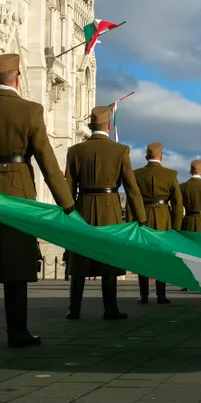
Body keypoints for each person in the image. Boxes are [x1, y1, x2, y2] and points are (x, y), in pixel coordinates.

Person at [0, 54, 74, 349]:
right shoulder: (30, 110)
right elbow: (47, 161)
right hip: (18, 188)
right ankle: (16, 331)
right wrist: (67, 203)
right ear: (16, 77)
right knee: (17, 261)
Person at [63, 106, 145, 321]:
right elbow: (131, 188)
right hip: (110, 207)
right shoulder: (120, 151)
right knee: (109, 260)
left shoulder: (75, 151)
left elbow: (68, 187)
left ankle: (74, 308)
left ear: (90, 126)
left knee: (79, 259)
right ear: (109, 126)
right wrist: (141, 219)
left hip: (82, 207)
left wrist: (68, 213)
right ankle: (110, 309)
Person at [133, 142, 183, 303]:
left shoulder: (137, 174)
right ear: (161, 156)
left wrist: (130, 223)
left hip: (143, 217)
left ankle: (144, 295)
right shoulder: (170, 175)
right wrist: (176, 227)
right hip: (163, 218)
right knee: (162, 256)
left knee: (142, 256)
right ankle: (161, 294)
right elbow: (177, 203)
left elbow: (131, 199)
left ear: (146, 156)